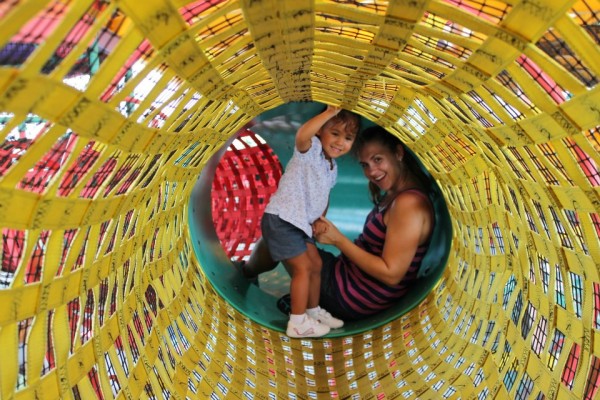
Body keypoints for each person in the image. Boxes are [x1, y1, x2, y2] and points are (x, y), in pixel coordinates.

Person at [243, 125, 435, 321]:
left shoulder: (409, 204)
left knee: (279, 230)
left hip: (351, 297)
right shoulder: (397, 194)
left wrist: (338, 240)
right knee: (290, 232)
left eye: (378, 159)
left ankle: (245, 273)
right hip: (350, 281)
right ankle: (308, 300)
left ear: (398, 153)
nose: (372, 171)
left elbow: (392, 274)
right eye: (365, 165)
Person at [238, 105, 360, 338]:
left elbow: (323, 195)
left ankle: (313, 312)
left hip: (302, 224)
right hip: (283, 219)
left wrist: (320, 219)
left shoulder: (332, 167)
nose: (340, 142)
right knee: (303, 268)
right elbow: (302, 135)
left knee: (316, 264)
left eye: (348, 138)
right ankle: (297, 322)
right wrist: (328, 114)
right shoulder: (310, 148)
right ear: (320, 132)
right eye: (334, 133)